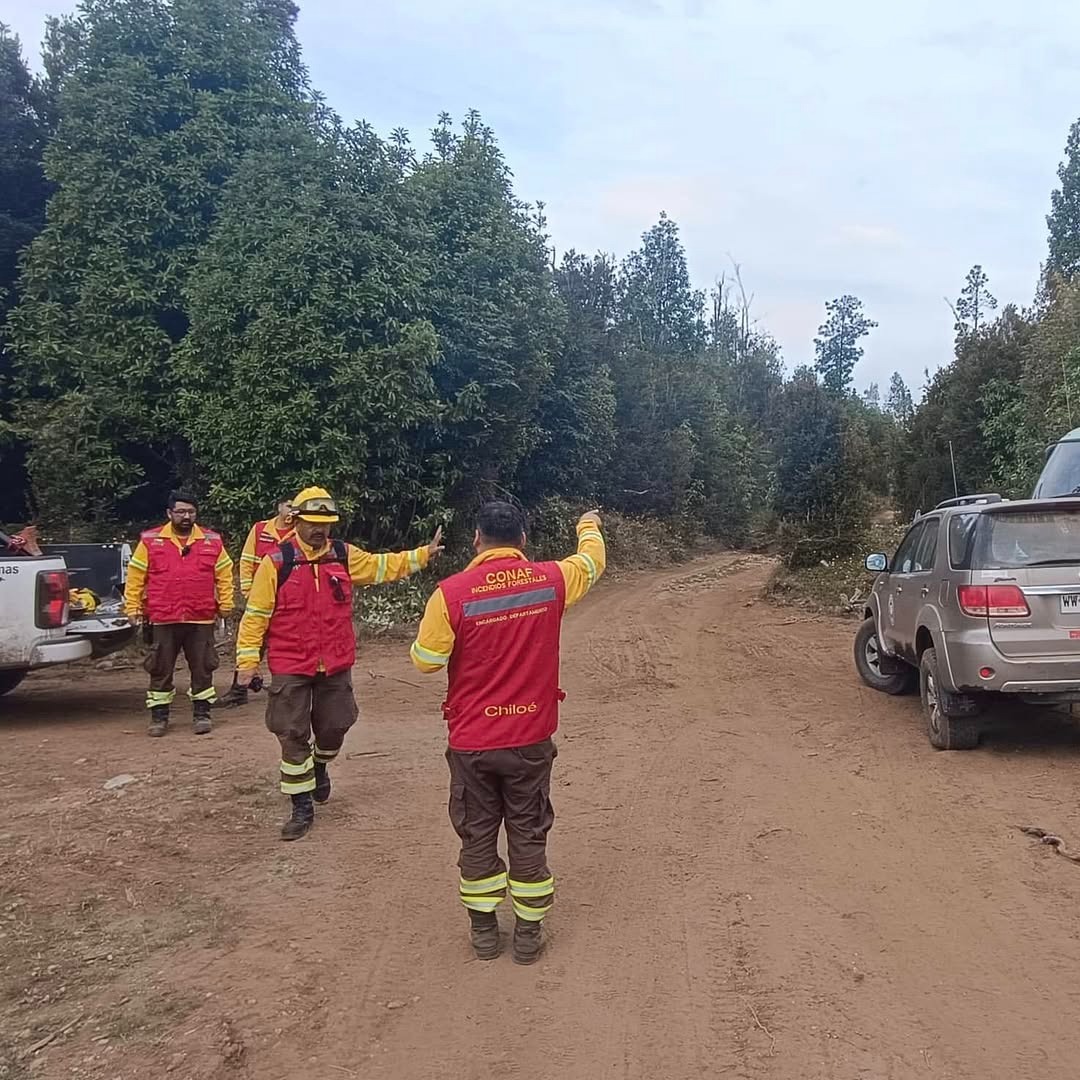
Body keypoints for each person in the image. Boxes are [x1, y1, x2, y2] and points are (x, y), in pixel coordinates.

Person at [410, 501, 605, 965]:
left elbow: (426, 661)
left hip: (473, 742)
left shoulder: (451, 593)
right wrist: (588, 524)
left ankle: (483, 932)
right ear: (523, 540)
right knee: (528, 829)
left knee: (477, 833)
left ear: (477, 539)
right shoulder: (552, 580)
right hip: (530, 737)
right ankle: (528, 936)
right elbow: (593, 560)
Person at [235, 486, 444, 840]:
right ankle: (301, 805)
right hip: (290, 663)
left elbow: (383, 565)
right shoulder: (277, 563)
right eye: (313, 523)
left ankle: (320, 766)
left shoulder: (344, 555)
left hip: (334, 661)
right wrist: (247, 660)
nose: (320, 530)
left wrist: (423, 554)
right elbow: (255, 615)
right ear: (296, 520)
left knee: (336, 726)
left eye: (326, 524)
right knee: (291, 733)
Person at [124, 492, 234, 737]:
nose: (186, 516)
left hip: (201, 616)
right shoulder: (151, 540)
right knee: (160, 669)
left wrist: (226, 603)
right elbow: (135, 577)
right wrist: (133, 608)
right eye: (181, 512)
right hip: (164, 617)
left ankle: (202, 714)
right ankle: (159, 717)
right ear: (169, 513)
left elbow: (225, 575)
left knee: (203, 668)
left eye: (191, 512)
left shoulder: (211, 540)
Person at [214, 497, 297, 709]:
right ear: (278, 507)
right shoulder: (260, 530)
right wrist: (248, 590)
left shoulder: (301, 532)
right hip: (260, 599)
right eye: (289, 505)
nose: (292, 511)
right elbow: (247, 559)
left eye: (296, 507)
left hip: (289, 601)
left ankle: (290, 690)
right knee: (252, 643)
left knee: (287, 646)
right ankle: (239, 690)